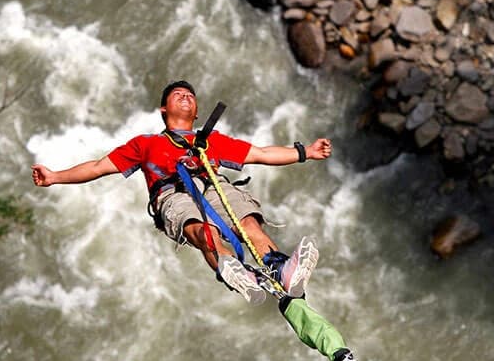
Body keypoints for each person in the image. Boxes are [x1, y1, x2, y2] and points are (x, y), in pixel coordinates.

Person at [31, 81, 332, 305]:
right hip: (171, 193)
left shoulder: (212, 140)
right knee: (202, 231)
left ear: (197, 109)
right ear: (164, 109)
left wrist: (305, 151)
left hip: (213, 184)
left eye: (191, 95)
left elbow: (263, 153)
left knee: (248, 222)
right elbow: (98, 167)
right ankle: (237, 274)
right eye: (178, 95)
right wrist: (55, 176)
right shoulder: (145, 144)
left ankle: (278, 268)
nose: (186, 97)